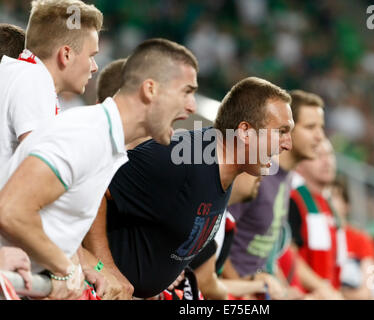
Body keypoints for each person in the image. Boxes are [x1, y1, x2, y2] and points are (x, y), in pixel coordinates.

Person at [0, 38, 198, 300]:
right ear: (150, 89)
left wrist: (83, 263)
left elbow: (52, 216)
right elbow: (11, 210)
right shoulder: (86, 135)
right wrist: (63, 267)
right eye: (186, 91)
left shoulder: (105, 141)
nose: (192, 106)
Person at [83, 76, 294, 298]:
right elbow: (93, 184)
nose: (287, 143)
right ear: (244, 132)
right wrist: (103, 266)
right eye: (281, 131)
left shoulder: (223, 170)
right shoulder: (179, 159)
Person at [221, 89, 325, 300]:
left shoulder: (285, 178)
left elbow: (264, 250)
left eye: (321, 127)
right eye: (310, 127)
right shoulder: (255, 174)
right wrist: (246, 290)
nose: (320, 136)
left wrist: (285, 291)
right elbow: (217, 236)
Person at [0, 0, 101, 166]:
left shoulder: (22, 74)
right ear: (66, 55)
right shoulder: (34, 78)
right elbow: (40, 168)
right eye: (91, 55)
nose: (95, 67)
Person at [287, 138, 344, 299]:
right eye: (318, 155)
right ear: (299, 164)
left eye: (330, 154)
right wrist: (322, 288)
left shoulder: (329, 206)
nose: (327, 162)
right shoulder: (294, 199)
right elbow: (289, 256)